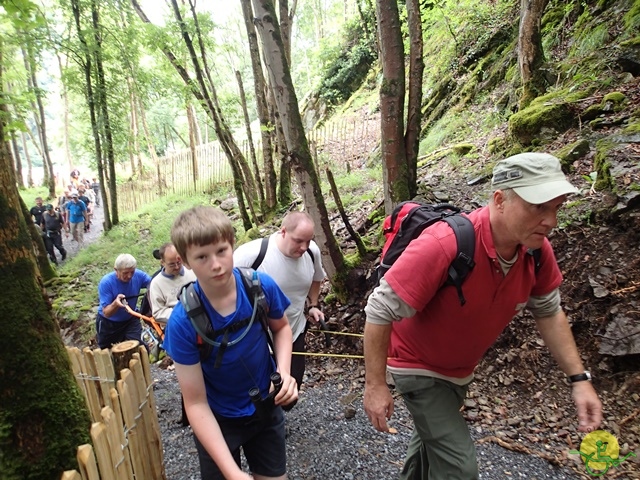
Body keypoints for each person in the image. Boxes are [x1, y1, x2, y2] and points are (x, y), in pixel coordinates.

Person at [363, 152, 602, 480]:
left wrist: (579, 380)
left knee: (429, 453)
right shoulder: (446, 244)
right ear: (500, 200)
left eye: (556, 208)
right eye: (538, 207)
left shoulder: (534, 250)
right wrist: (375, 385)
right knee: (459, 468)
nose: (551, 221)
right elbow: (380, 308)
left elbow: (549, 311)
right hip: (416, 364)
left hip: (459, 371)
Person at [163, 206, 298, 480]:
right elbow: (196, 403)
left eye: (221, 251)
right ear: (186, 261)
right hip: (218, 419)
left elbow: (282, 328)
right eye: (201, 257)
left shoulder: (259, 287)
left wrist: (284, 372)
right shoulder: (182, 323)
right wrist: (231, 472)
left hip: (266, 406)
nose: (216, 264)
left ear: (232, 245)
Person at [234, 211, 326, 389]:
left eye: (308, 241)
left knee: (292, 385)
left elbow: (317, 277)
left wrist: (313, 305)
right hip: (257, 335)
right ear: (283, 232)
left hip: (293, 330)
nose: (304, 247)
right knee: (259, 388)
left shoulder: (312, 252)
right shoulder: (252, 254)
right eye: (298, 241)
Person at [96, 254, 152, 349]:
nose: (129, 276)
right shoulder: (106, 283)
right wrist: (115, 304)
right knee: (106, 350)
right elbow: (106, 313)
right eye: (125, 273)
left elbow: (154, 284)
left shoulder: (138, 275)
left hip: (130, 320)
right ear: (116, 270)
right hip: (109, 324)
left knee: (139, 346)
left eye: (132, 272)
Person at [148, 242, 197, 324]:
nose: (177, 267)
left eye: (179, 262)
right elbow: (158, 313)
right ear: (162, 262)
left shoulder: (192, 271)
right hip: (176, 322)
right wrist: (181, 313)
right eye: (172, 265)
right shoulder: (156, 283)